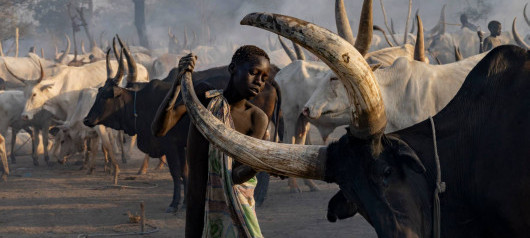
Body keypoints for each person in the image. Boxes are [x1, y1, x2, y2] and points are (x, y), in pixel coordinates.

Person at [154, 46, 271, 237]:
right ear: (233, 69)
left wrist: (262, 162)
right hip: (196, 211)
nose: (259, 82)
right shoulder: (205, 98)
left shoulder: (257, 118)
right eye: (253, 73)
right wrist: (179, 82)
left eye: (264, 78)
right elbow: (159, 129)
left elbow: (235, 177)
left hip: (235, 210)